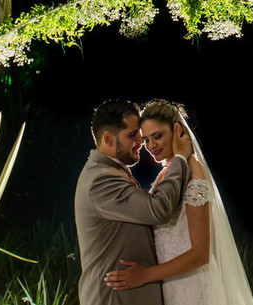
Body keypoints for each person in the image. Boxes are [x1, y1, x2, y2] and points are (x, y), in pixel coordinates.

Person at [104, 99, 253, 305]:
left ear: (177, 131)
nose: (151, 146)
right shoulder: (168, 172)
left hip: (194, 288)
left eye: (158, 136)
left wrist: (146, 275)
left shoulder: (193, 173)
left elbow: (201, 253)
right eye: (147, 139)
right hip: (172, 286)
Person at [75, 99, 192, 305]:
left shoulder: (111, 171)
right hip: (115, 299)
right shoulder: (101, 180)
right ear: (108, 138)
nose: (141, 141)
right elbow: (158, 209)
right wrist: (180, 158)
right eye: (132, 135)